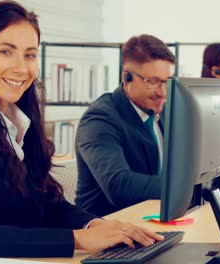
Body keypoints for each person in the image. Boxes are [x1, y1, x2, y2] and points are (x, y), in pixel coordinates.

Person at [0, 2, 163, 263]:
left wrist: (96, 225)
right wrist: (79, 239)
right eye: (6, 51)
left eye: (29, 55)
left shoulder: (18, 124)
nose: (21, 68)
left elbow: (48, 204)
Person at [75, 34, 175, 216]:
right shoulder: (99, 119)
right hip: (107, 227)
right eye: (153, 81)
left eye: (167, 82)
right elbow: (119, 185)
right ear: (127, 76)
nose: (163, 93)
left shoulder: (162, 111)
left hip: (151, 218)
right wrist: (185, 185)